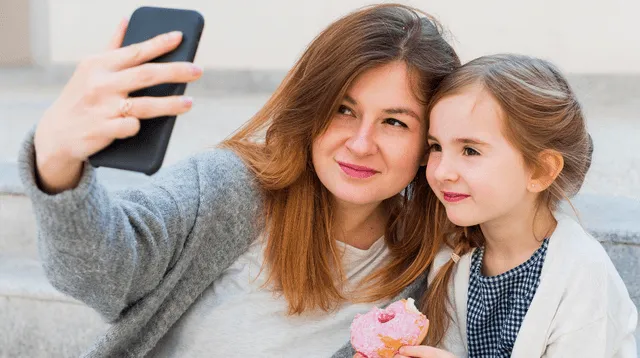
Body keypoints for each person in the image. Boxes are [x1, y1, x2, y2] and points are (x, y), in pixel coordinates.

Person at [18, 4, 460, 357]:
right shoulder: (231, 187)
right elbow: (104, 275)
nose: (361, 143)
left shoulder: (428, 257)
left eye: (395, 122)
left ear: (429, 142)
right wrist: (57, 159)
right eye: (343, 110)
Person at [394, 54, 637, 358]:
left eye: (470, 150)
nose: (442, 171)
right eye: (436, 147)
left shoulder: (584, 276)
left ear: (540, 171)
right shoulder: (452, 254)